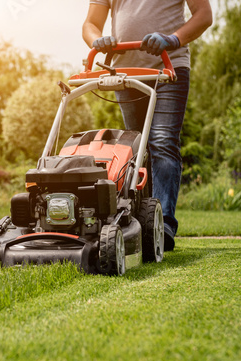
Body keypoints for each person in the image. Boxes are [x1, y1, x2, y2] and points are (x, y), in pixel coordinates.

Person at [83, 0, 213, 251]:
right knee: (138, 149)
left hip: (168, 67)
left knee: (162, 141)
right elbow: (90, 24)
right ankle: (143, 222)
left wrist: (173, 39)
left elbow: (204, 16)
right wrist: (97, 40)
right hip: (126, 74)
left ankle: (163, 225)